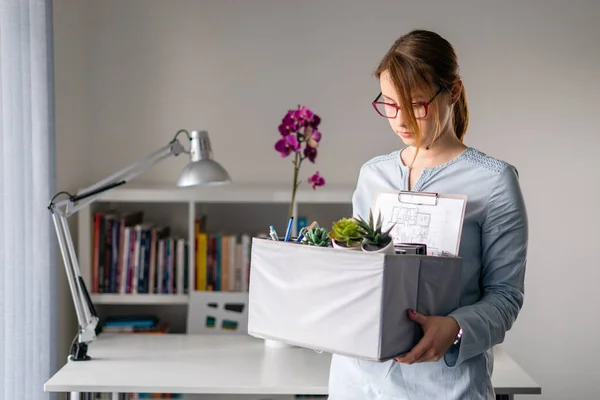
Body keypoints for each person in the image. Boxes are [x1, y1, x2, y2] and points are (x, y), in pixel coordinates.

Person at [327, 29, 528, 399]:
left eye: (416, 104)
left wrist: (455, 326)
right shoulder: (373, 174)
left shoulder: (494, 180)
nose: (400, 120)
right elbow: (356, 275)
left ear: (452, 91)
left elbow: (505, 296)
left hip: (447, 386)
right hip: (357, 383)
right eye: (389, 104)